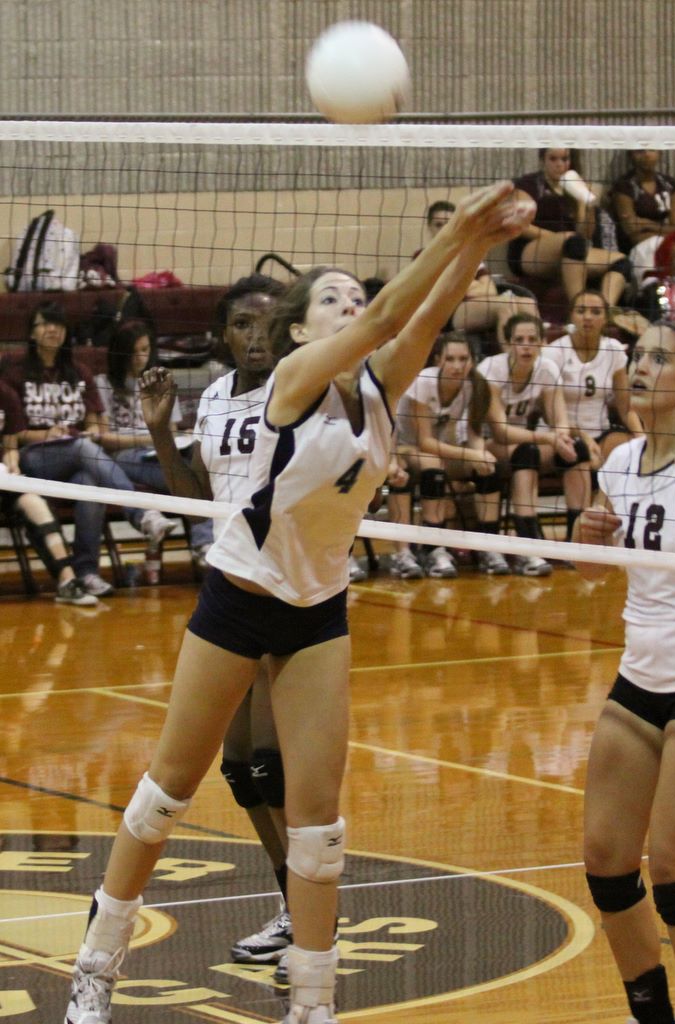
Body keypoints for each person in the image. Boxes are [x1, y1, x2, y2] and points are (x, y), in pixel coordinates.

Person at [63, 180, 536, 1024]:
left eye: (354, 293)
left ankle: (312, 1006)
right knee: (167, 792)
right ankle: (96, 966)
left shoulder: (380, 389)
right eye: (332, 299)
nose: (350, 303)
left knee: (319, 830)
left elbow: (420, 318)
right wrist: (459, 226)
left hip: (317, 613)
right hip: (238, 600)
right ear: (303, 330)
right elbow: (387, 315)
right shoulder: (290, 378)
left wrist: (480, 244)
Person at [139, 273, 292, 966]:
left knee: (271, 765)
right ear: (222, 334)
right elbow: (194, 499)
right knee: (238, 770)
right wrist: (160, 432)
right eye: (242, 324)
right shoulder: (215, 396)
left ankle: (312, 911)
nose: (256, 336)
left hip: (285, 588)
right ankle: (293, 903)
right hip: (227, 586)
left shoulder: (298, 389)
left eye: (268, 322)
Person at [574, 319, 675, 1024]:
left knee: (673, 871)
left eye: (661, 357)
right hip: (639, 677)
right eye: (638, 355)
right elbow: (592, 569)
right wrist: (585, 538)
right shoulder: (619, 462)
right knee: (608, 862)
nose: (642, 366)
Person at [0, 303, 176, 597]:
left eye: (58, 324)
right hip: (35, 459)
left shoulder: (78, 372)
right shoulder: (17, 374)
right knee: (84, 448)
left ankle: (87, 573)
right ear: (31, 333)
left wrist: (92, 431)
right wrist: (46, 434)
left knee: (89, 484)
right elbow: (13, 433)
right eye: (45, 324)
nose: (53, 329)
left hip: (77, 454)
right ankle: (142, 514)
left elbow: (95, 424)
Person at [392, 330, 562, 578]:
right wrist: (471, 454)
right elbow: (425, 442)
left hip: (443, 450)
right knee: (434, 466)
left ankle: (487, 546)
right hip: (404, 448)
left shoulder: (472, 385)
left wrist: (480, 455)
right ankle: (432, 549)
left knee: (487, 469)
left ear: (472, 361)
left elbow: (473, 434)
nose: (457, 366)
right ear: (438, 360)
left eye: (463, 359)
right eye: (450, 359)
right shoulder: (425, 382)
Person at [95, 320, 213, 580]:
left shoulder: (160, 383)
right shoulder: (103, 383)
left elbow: (170, 430)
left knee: (195, 465)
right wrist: (149, 438)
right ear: (120, 353)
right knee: (188, 478)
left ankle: (205, 544)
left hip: (156, 455)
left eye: (145, 350)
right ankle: (204, 543)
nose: (140, 357)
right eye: (134, 351)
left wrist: (173, 438)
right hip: (121, 459)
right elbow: (104, 438)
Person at [479, 313, 587, 573]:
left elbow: (559, 418)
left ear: (541, 343)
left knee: (578, 450)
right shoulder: (490, 369)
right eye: (519, 340)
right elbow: (500, 432)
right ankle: (528, 547)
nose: (526, 346)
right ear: (508, 343)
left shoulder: (546, 368)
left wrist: (562, 438)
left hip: (521, 442)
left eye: (532, 340)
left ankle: (576, 541)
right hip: (482, 443)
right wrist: (549, 437)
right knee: (526, 453)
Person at [544, 290, 643, 538]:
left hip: (601, 433)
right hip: (564, 435)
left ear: (606, 318)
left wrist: (644, 440)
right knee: (580, 453)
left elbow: (626, 408)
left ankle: (627, 528)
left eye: (595, 312)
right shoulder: (555, 353)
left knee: (632, 452)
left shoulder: (614, 351)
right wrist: (584, 438)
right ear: (571, 316)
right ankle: (576, 536)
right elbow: (551, 415)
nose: (588, 317)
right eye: (581, 311)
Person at [0, 378, 97, 605]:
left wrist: (12, 465)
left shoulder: (5, 393)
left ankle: (67, 581)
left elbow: (10, 447)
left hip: (3, 479)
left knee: (34, 502)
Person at [508, 148, 631, 309]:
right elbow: (521, 226)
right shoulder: (528, 184)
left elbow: (585, 234)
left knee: (621, 262)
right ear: (543, 160)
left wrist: (584, 202)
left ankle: (604, 310)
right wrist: (556, 238)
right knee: (572, 241)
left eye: (564, 159)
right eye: (553, 159)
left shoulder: (574, 187)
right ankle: (578, 309)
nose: (559, 165)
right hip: (531, 250)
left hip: (572, 248)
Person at [416, 198, 540, 350]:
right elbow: (449, 291)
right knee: (505, 306)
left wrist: (465, 287)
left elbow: (490, 289)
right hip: (448, 313)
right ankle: (511, 358)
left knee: (527, 303)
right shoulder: (423, 256)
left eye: (448, 223)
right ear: (429, 227)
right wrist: (472, 286)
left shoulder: (467, 253)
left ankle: (541, 355)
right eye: (438, 224)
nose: (443, 229)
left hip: (476, 305)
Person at [611, 150, 675, 288]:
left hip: (670, 244)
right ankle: (651, 293)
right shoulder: (624, 186)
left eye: (651, 149)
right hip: (639, 248)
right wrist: (667, 232)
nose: (647, 155)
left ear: (660, 152)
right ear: (631, 154)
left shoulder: (670, 184)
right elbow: (633, 233)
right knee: (655, 247)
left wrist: (648, 225)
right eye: (640, 150)